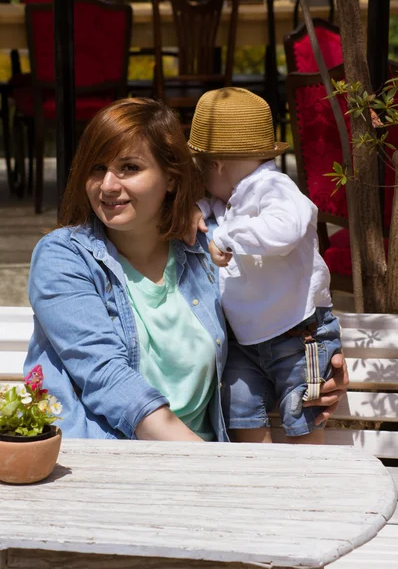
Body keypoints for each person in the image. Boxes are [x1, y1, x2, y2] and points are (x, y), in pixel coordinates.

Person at [24, 97, 347, 441]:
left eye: (129, 168)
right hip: (117, 464)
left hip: (207, 466)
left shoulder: (207, 250)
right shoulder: (64, 257)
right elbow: (107, 378)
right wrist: (213, 467)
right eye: (96, 168)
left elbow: (272, 319)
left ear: (172, 179)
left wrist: (320, 370)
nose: (107, 186)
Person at [188, 87, 342, 444]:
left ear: (216, 164)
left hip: (297, 332)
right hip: (247, 339)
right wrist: (201, 208)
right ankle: (259, 479)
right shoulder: (231, 197)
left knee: (303, 421)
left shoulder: (274, 186)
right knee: (239, 411)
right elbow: (219, 207)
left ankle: (306, 491)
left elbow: (288, 227)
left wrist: (227, 237)